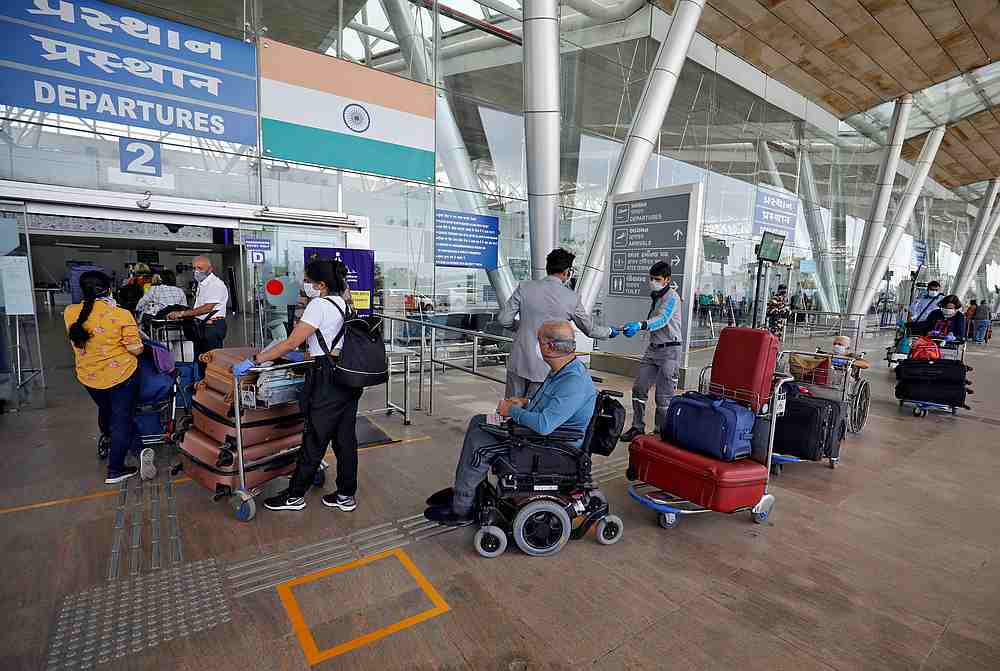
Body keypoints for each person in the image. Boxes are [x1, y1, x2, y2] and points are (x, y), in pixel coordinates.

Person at [423, 320, 597, 525]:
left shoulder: (572, 381)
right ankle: (465, 490)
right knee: (479, 421)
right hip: (543, 437)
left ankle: (462, 508)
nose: (536, 346)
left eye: (538, 341)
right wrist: (526, 402)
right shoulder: (562, 369)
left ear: (550, 347)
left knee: (480, 443)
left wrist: (512, 411)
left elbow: (544, 425)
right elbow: (556, 407)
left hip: (554, 446)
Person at [232, 259, 362, 513]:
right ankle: (346, 494)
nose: (305, 286)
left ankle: (294, 496)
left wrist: (254, 360)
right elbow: (330, 345)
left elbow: (291, 343)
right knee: (345, 439)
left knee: (314, 437)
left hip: (326, 380)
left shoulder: (319, 305)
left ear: (321, 284)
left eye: (308, 281)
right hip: (347, 379)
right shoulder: (344, 305)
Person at [498, 248, 618, 398]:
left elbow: (504, 319)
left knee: (510, 409)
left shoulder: (525, 287)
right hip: (548, 366)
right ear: (567, 271)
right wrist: (610, 332)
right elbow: (590, 330)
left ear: (548, 267)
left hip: (519, 361)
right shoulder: (572, 298)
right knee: (535, 411)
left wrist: (522, 327)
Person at [64, 271, 147, 484]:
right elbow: (136, 350)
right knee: (122, 419)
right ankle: (115, 469)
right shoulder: (120, 315)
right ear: (109, 290)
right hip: (121, 376)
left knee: (106, 409)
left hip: (89, 377)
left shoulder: (70, 312)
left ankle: (111, 437)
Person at [618, 261, 683, 443]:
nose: (653, 281)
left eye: (657, 279)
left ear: (667, 280)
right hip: (653, 349)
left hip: (670, 350)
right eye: (651, 278)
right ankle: (637, 428)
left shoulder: (672, 297)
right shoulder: (656, 295)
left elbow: (662, 320)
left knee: (663, 398)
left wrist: (640, 325)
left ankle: (659, 434)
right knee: (639, 388)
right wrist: (630, 328)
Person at [167, 256, 229, 374]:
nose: (196, 271)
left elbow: (207, 308)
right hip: (203, 326)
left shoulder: (215, 284)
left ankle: (213, 385)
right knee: (201, 359)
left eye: (200, 268)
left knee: (212, 360)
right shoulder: (202, 283)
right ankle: (202, 384)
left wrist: (182, 314)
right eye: (194, 268)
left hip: (213, 326)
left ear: (210, 269)